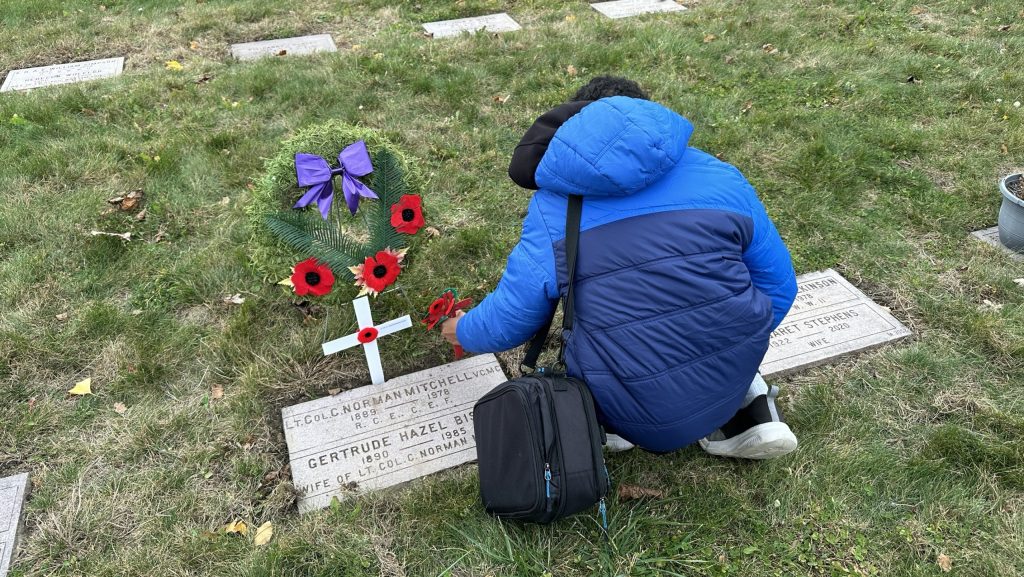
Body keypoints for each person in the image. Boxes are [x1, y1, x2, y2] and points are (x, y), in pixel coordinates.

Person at [442, 76, 799, 458]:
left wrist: (462, 329)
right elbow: (780, 288)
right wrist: (725, 344)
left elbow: (511, 318)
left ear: (575, 128)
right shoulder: (723, 177)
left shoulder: (554, 208)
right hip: (729, 375)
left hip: (630, 407)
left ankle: (611, 424)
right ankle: (748, 405)